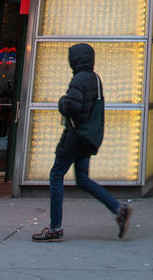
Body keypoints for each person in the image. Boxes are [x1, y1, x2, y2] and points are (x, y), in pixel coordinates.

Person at [31, 43, 131, 242]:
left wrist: (62, 102)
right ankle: (118, 209)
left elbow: (74, 107)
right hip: (87, 137)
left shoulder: (79, 79)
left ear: (75, 59)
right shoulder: (95, 78)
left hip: (75, 137)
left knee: (56, 174)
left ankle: (55, 227)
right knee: (83, 178)